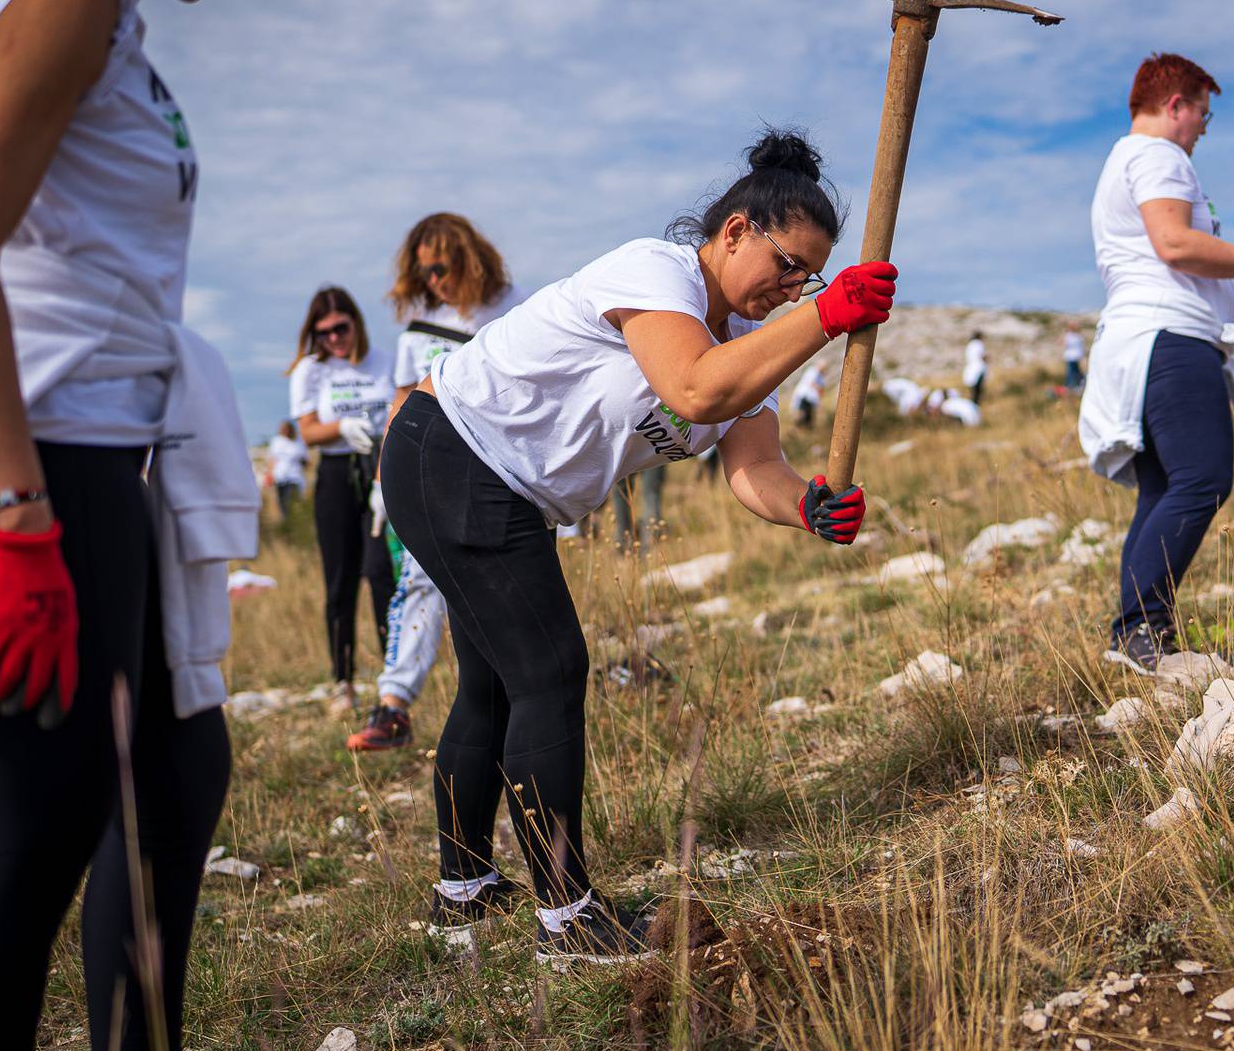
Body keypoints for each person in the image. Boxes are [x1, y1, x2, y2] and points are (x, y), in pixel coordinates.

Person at [0, 0, 316, 1051]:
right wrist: (14, 518)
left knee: (175, 778)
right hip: (44, 452)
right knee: (28, 844)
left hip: (100, 450)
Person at [379, 130, 893, 961]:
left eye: (813, 275)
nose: (796, 286)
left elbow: (750, 463)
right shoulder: (656, 272)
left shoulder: (743, 348)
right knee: (549, 669)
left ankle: (463, 889)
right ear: (733, 233)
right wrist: (825, 318)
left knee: (499, 683)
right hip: (453, 451)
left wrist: (807, 506)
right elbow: (694, 388)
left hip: (496, 483)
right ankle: (567, 913)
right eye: (787, 263)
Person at [1076, 52, 1234, 674]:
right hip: (1172, 338)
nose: (1203, 130)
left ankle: (1133, 634)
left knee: (1162, 487)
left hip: (1141, 339)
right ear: (1175, 105)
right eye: (1202, 115)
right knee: (1203, 479)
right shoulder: (1159, 156)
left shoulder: (1121, 160)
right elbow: (1175, 244)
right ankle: (1140, 629)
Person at [349, 212, 522, 752]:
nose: (432, 282)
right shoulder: (420, 323)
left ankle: (517, 695)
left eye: (440, 268)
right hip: (429, 467)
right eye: (422, 273)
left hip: (498, 467)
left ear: (468, 258)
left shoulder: (515, 305)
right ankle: (394, 705)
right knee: (418, 581)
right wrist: (384, 479)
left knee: (503, 587)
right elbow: (403, 400)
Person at [288, 286, 395, 715]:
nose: (334, 338)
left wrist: (384, 476)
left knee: (380, 572)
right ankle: (343, 681)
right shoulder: (311, 371)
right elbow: (308, 430)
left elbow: (395, 414)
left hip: (377, 468)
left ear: (356, 322)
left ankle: (394, 679)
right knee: (340, 580)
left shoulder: (382, 361)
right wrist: (341, 426)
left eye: (341, 328)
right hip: (334, 474)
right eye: (324, 332)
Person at [264, 419, 308, 518]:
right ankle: (287, 525)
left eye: (286, 429)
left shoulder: (299, 442)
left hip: (295, 478)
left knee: (293, 502)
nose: (285, 431)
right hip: (280, 478)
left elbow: (305, 460)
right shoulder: (277, 441)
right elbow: (272, 459)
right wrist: (269, 475)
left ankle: (295, 523)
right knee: (283, 504)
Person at [789, 358, 827, 429]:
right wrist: (819, 389)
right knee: (802, 414)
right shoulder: (813, 371)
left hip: (810, 399)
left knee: (808, 417)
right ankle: (796, 430)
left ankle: (803, 430)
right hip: (804, 396)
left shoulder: (820, 375)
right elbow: (811, 382)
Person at [963, 331, 988, 405]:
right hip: (978, 370)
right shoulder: (978, 344)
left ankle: (973, 404)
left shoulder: (970, 345)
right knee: (977, 391)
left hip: (971, 369)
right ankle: (975, 406)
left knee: (973, 390)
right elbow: (981, 356)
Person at [1063, 321, 1087, 390]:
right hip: (1070, 357)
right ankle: (1069, 386)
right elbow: (1062, 343)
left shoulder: (1078, 336)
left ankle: (1075, 385)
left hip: (1076, 357)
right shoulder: (1068, 336)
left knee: (1075, 372)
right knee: (1071, 372)